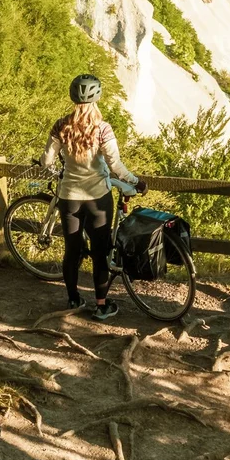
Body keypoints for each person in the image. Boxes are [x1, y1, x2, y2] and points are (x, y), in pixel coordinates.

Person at [40, 74, 147, 321]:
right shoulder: (103, 128)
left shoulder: (60, 126)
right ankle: (101, 306)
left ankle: (74, 298)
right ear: (97, 97)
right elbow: (116, 166)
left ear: (72, 96)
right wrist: (135, 181)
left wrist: (57, 166)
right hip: (98, 198)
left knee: (72, 250)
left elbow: (46, 160)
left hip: (69, 197)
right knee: (100, 252)